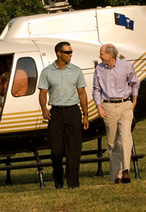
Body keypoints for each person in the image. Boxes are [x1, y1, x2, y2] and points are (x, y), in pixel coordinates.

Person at [38, 41, 89, 189]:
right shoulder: (47, 72)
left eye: (71, 52)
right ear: (58, 53)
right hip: (56, 113)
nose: (70, 55)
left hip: (73, 111)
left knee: (74, 149)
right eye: (67, 52)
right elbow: (42, 92)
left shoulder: (77, 71)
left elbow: (82, 93)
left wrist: (85, 115)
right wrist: (44, 108)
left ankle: (73, 183)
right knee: (56, 150)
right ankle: (58, 178)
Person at [92, 44, 140, 184]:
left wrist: (134, 101)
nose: (99, 56)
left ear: (110, 55)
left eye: (101, 53)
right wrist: (99, 106)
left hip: (125, 105)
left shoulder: (126, 66)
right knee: (112, 143)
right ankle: (116, 177)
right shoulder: (99, 69)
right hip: (108, 106)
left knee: (125, 137)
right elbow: (96, 89)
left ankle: (125, 170)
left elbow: (135, 83)